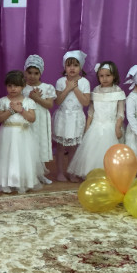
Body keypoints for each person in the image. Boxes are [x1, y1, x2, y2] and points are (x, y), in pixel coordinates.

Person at [67, 61, 126, 178]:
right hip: (96, 126)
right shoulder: (96, 90)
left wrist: (118, 127)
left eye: (108, 75)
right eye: (101, 76)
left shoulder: (118, 91)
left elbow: (120, 113)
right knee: (92, 152)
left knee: (110, 152)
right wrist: (87, 127)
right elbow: (91, 112)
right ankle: (92, 174)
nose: (104, 78)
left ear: (114, 76)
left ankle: (110, 174)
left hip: (111, 127)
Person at [0, 71, 39, 193]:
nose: (12, 89)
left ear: (23, 86)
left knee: (23, 157)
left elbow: (32, 118)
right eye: (9, 86)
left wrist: (21, 110)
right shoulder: (2, 101)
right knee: (6, 157)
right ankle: (5, 182)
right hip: (7, 133)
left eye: (16, 86)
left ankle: (22, 182)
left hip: (23, 134)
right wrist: (11, 111)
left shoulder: (28, 102)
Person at [53, 51, 91, 181]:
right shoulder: (60, 82)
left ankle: (72, 172)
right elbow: (58, 101)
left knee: (73, 148)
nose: (72, 68)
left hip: (76, 118)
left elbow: (85, 102)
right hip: (63, 118)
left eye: (75, 65)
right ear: (64, 67)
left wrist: (75, 88)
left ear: (81, 67)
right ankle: (60, 172)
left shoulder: (84, 82)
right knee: (60, 147)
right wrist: (68, 88)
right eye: (69, 65)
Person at [22, 55, 56, 185]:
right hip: (27, 120)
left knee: (39, 144)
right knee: (28, 145)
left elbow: (49, 105)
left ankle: (40, 173)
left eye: (36, 73)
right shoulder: (22, 88)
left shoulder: (47, 87)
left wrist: (37, 98)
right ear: (25, 72)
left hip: (41, 121)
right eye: (29, 72)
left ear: (41, 73)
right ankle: (29, 174)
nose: (32, 76)